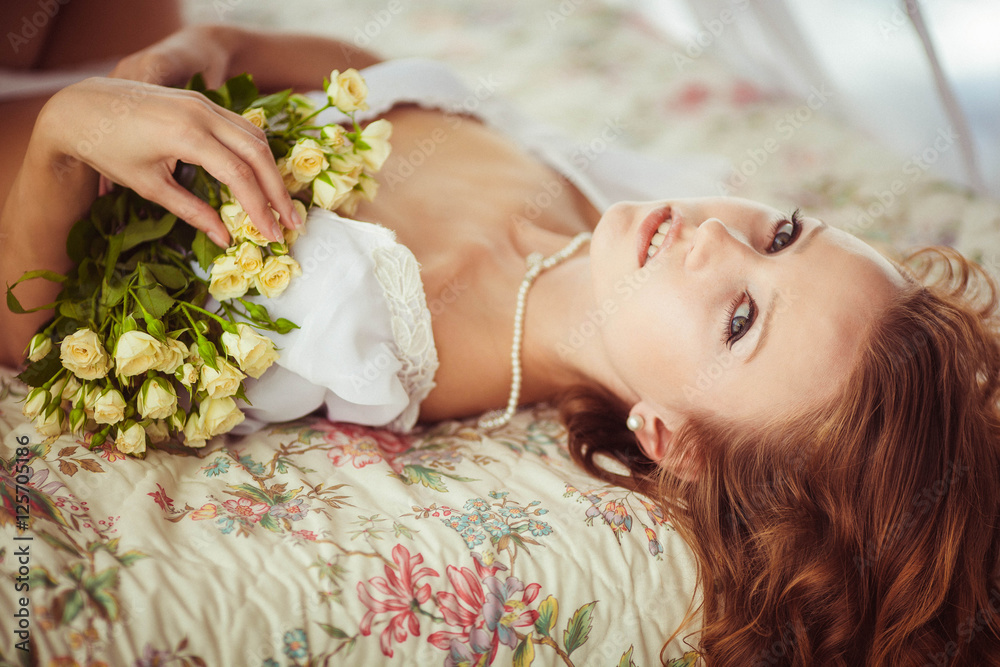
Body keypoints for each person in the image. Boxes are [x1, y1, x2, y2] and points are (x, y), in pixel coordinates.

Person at [1, 19, 998, 667]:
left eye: (739, 317)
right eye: (781, 232)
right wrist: (209, 51)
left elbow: (35, 332)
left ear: (670, 437)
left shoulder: (364, 325)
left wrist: (63, 136)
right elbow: (348, 80)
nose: (713, 238)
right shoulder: (594, 200)